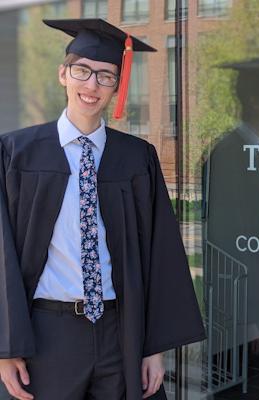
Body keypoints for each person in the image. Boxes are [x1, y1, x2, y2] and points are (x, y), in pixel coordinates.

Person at [0, 19, 205, 400]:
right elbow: (2, 255)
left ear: (117, 87)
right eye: (82, 71)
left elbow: (159, 254)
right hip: (48, 333)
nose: (92, 85)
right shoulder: (15, 153)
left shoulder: (137, 158)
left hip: (119, 331)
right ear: (63, 74)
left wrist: (153, 347)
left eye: (106, 76)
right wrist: (6, 346)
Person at [201, 58, 259, 398]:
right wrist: (248, 320)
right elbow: (226, 241)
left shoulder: (251, 148)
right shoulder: (229, 156)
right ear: (256, 101)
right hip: (244, 309)